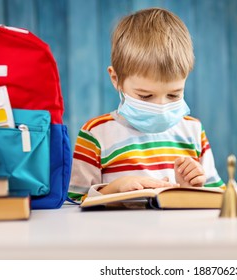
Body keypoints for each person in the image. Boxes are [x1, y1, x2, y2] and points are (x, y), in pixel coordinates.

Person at [68, 7, 224, 203]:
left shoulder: (193, 131)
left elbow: (220, 200)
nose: (161, 107)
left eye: (174, 95)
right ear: (116, 78)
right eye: (145, 96)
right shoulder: (96, 134)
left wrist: (193, 189)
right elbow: (72, 203)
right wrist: (115, 188)